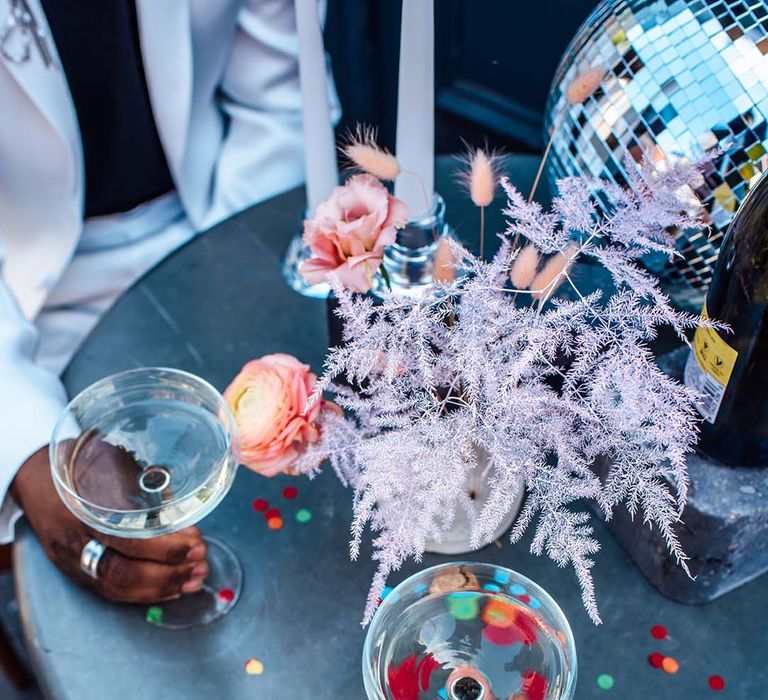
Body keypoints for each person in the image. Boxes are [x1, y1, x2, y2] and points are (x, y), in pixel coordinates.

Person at [0, 0, 337, 604]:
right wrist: (24, 446)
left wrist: (237, 273)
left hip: (212, 219)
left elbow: (278, 105)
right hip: (23, 299)